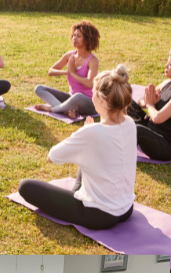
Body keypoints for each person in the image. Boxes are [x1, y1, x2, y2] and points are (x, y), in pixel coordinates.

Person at [18, 65, 136, 230]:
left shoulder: (92, 132)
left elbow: (52, 157)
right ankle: (77, 195)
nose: (92, 95)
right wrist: (89, 137)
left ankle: (76, 198)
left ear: (101, 100)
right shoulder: (130, 123)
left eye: (93, 92)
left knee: (26, 187)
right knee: (89, 154)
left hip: (100, 215)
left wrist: (85, 133)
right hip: (126, 208)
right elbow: (109, 144)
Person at [128, 48, 171, 161]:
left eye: (170, 65)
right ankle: (110, 135)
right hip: (152, 130)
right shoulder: (167, 83)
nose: (166, 66)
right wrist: (149, 102)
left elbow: (157, 118)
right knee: (125, 103)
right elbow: (142, 100)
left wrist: (150, 105)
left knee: (137, 130)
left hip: (169, 147)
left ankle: (114, 153)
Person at [33, 20, 100, 119]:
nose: (74, 38)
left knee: (78, 96)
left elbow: (89, 83)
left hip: (89, 103)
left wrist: (73, 73)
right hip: (71, 98)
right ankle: (67, 110)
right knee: (39, 89)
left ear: (87, 39)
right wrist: (67, 72)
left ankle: (52, 109)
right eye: (73, 35)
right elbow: (51, 71)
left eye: (78, 36)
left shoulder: (93, 60)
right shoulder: (70, 55)